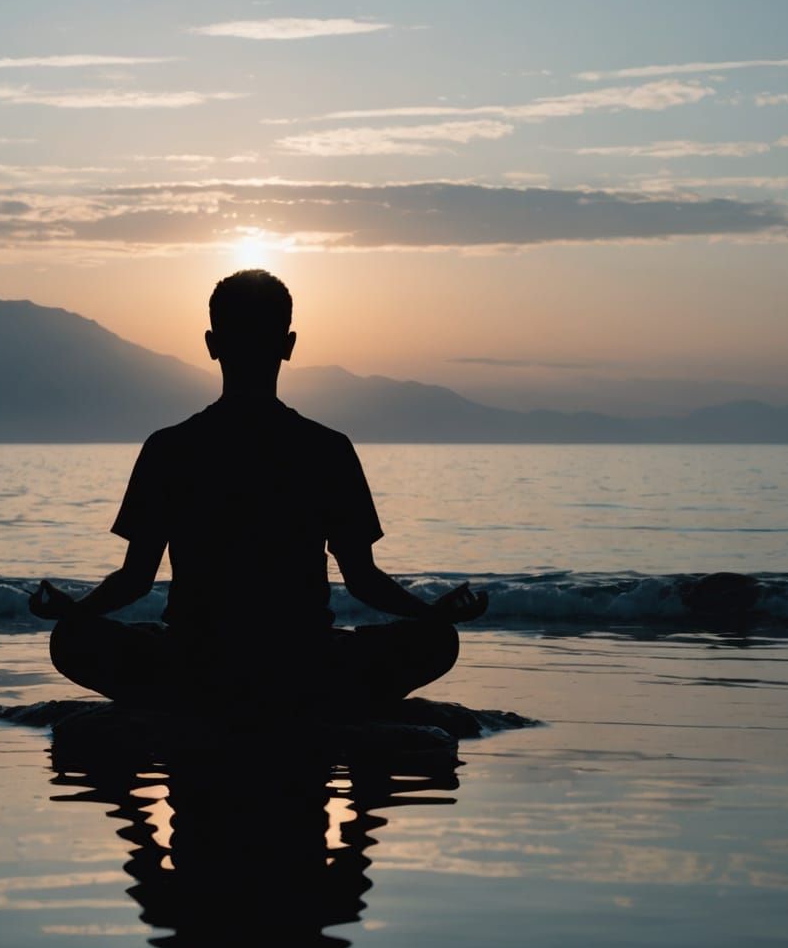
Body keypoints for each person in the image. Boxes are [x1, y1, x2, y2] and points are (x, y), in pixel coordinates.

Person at [29, 269, 488, 713]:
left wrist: (73, 611)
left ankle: (192, 702)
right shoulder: (326, 449)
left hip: (195, 663)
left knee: (72, 638)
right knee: (437, 640)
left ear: (211, 346)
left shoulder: (170, 448)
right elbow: (363, 579)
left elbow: (135, 579)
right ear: (288, 346)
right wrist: (430, 614)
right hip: (304, 664)